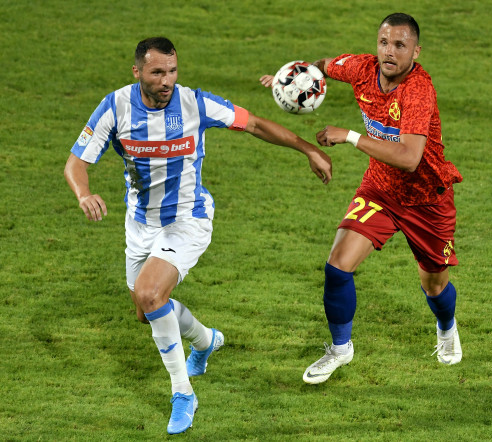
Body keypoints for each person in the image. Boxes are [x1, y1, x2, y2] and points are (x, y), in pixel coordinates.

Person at [64, 37, 332, 434]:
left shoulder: (195, 103)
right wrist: (84, 193)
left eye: (172, 71)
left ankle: (183, 394)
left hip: (188, 219)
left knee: (151, 295)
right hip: (140, 224)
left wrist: (307, 148)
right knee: (147, 311)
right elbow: (76, 162)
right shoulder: (116, 106)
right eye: (157, 72)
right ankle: (207, 341)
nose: (166, 80)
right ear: (137, 72)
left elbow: (255, 123)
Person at [261, 12, 463, 384]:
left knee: (434, 284)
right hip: (380, 189)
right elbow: (319, 67)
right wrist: (288, 79)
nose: (389, 51)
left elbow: (408, 158)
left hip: (427, 199)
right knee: (337, 266)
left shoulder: (418, 90)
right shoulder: (360, 68)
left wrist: (349, 136)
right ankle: (340, 349)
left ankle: (447, 327)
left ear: (415, 51)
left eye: (400, 45)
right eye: (384, 42)